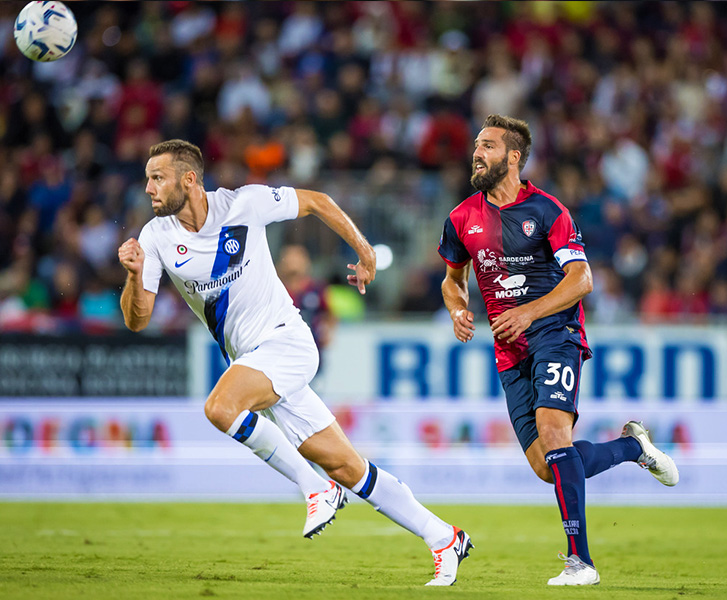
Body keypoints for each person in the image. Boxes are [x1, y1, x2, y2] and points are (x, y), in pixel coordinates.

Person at [118, 139, 472, 586]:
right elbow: (137, 319)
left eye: (157, 177)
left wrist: (365, 253)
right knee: (349, 467)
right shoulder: (155, 237)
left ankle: (315, 488)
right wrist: (133, 276)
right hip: (256, 365)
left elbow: (317, 202)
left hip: (287, 344)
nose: (148, 188)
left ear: (189, 179)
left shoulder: (244, 203)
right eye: (148, 178)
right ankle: (444, 537)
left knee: (220, 408)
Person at [438, 115, 678, 586]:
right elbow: (452, 279)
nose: (476, 152)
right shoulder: (461, 218)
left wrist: (529, 313)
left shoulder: (548, 211)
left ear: (513, 157)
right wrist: (456, 309)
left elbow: (582, 279)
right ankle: (633, 447)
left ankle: (580, 563)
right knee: (550, 467)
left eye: (487, 145)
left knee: (553, 434)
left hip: (556, 335)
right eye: (475, 145)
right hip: (509, 354)